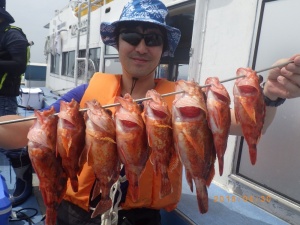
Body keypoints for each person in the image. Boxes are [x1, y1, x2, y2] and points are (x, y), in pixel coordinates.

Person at [0, 0, 300, 224]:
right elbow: (27, 130)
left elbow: (244, 125)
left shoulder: (183, 101)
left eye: (153, 39)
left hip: (142, 217)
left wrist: (270, 94)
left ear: (162, 48)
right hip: (78, 213)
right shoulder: (86, 96)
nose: (142, 46)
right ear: (117, 42)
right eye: (131, 36)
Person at [0, 0, 32, 207]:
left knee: (11, 144)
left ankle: (23, 181)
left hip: (4, 98)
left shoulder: (12, 34)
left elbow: (20, 65)